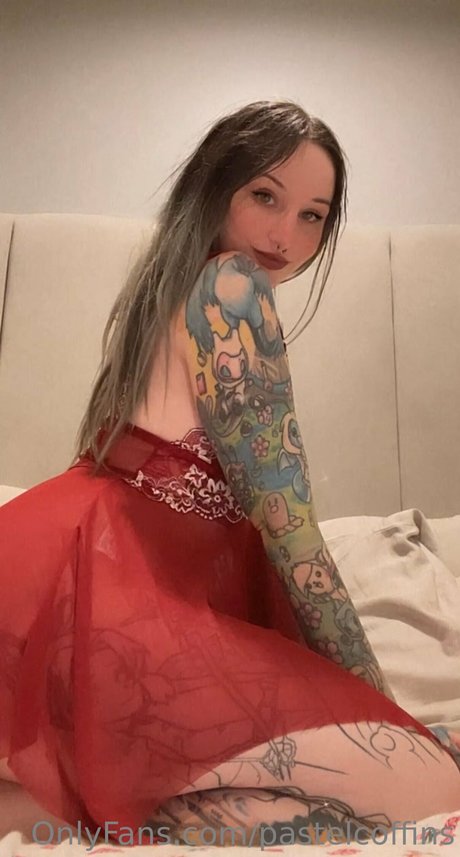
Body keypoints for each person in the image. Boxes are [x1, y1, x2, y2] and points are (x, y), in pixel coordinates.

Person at [1, 100, 459, 848]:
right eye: (265, 196)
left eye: (313, 216)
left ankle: (55, 798)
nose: (286, 235)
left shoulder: (168, 287)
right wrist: (381, 705)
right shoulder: (231, 288)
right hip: (108, 607)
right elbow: (292, 531)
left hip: (69, 590)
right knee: (436, 788)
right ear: (217, 186)